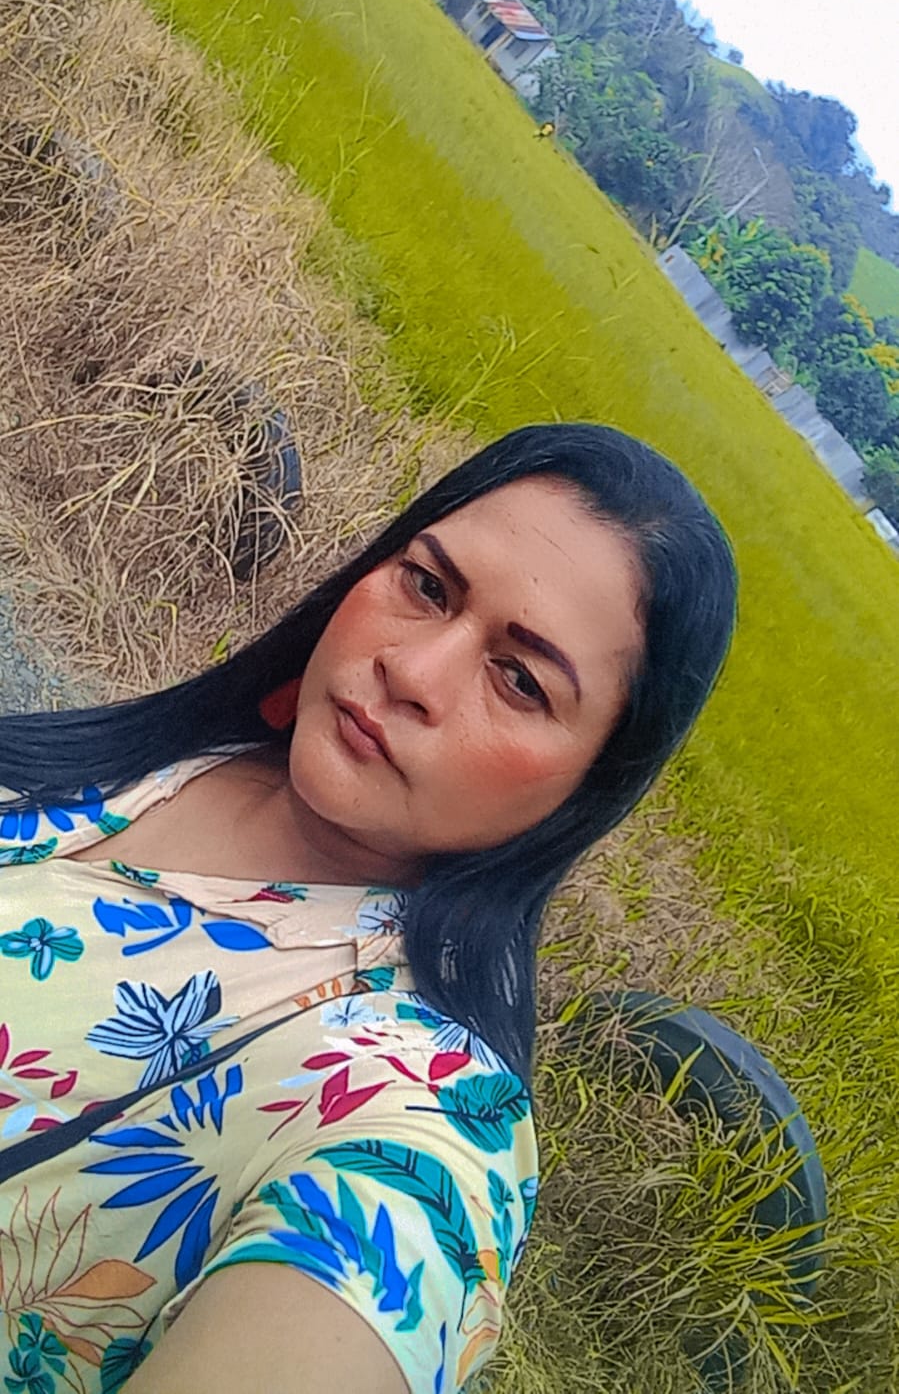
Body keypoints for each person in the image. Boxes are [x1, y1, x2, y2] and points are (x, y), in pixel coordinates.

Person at [0, 422, 736, 1394]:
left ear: (586, 790)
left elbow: (375, 1269)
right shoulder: (172, 759)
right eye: (427, 586)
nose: (412, 672)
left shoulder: (415, 1110)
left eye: (520, 680)